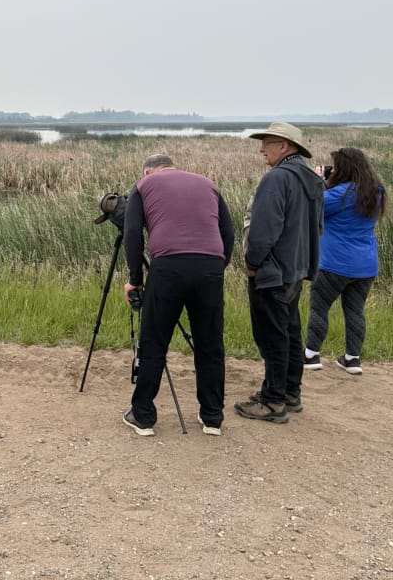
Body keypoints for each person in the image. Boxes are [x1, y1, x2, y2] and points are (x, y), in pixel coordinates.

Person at [120, 153, 235, 437]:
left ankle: (143, 415)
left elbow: (132, 232)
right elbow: (228, 233)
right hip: (210, 267)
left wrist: (135, 280)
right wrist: (217, 267)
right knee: (210, 343)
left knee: (154, 341)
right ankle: (212, 417)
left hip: (168, 266)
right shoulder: (208, 184)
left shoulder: (143, 185)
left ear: (148, 171)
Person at [235, 122, 324, 424]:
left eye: (267, 143)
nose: (261, 149)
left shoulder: (276, 179)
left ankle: (273, 401)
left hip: (272, 270)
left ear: (285, 146)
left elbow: (263, 231)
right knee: (289, 330)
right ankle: (290, 392)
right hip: (296, 268)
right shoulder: (310, 179)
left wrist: (253, 262)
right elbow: (318, 227)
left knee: (272, 335)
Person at [304, 147, 387, 374]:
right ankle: (352, 359)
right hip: (366, 264)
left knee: (320, 308)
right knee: (355, 311)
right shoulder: (376, 192)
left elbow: (314, 207)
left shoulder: (337, 194)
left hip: (334, 263)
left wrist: (319, 180)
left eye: (337, 167)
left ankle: (311, 355)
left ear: (345, 169)